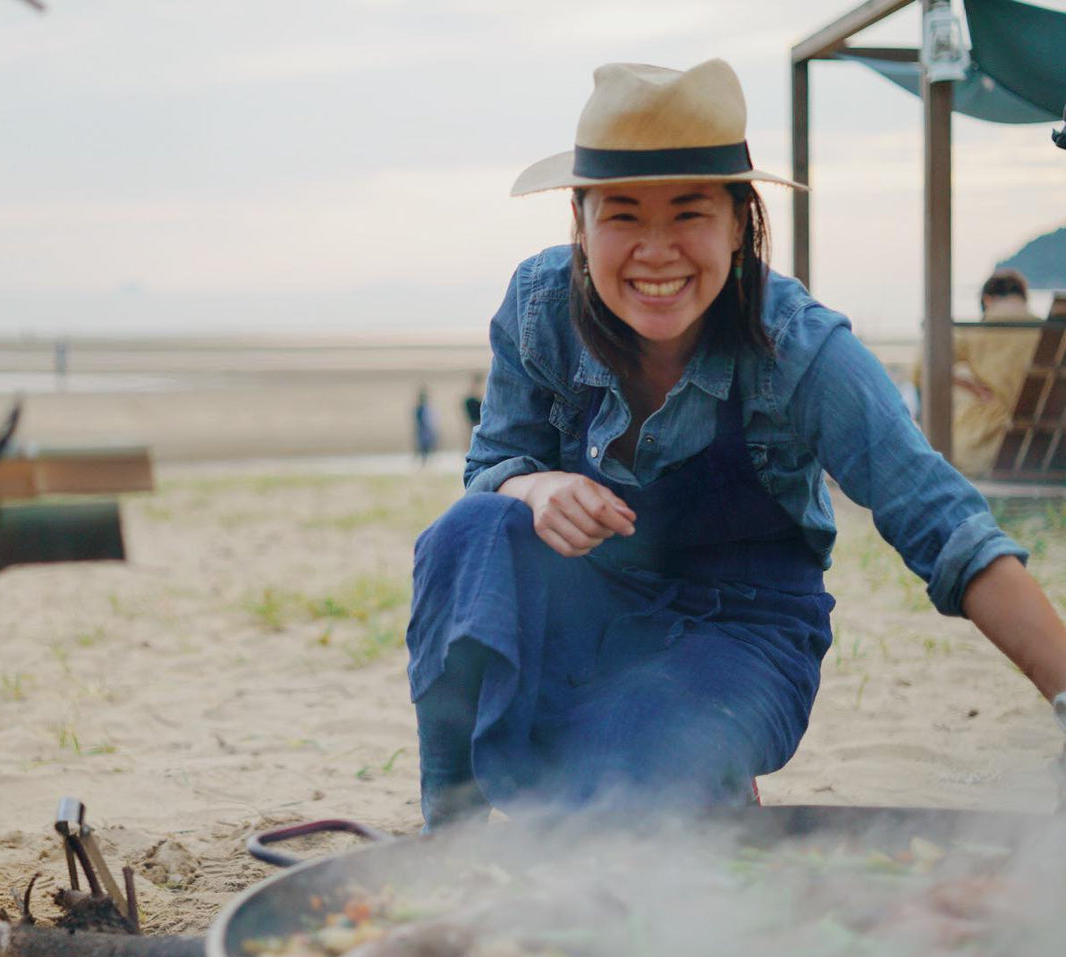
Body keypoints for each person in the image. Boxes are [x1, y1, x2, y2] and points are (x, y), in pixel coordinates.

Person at [406, 59, 1066, 829]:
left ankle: (705, 774)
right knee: (470, 531)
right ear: (580, 226)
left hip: (741, 633)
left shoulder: (800, 348)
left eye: (688, 213)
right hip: (590, 609)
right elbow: (490, 468)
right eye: (621, 215)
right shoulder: (538, 308)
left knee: (640, 773)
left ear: (740, 223)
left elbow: (946, 528)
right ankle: (446, 842)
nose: (655, 252)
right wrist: (533, 487)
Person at [924, 269, 1041, 477]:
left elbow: (923, 367)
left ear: (987, 300)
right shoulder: (1050, 331)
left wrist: (971, 386)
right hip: (1041, 443)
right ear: (1022, 298)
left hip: (986, 447)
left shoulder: (976, 330)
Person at [413, 387, 438, 467]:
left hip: (423, 430)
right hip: (423, 430)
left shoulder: (422, 408)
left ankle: (425, 461)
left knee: (425, 446)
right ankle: (423, 461)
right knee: (424, 446)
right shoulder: (421, 409)